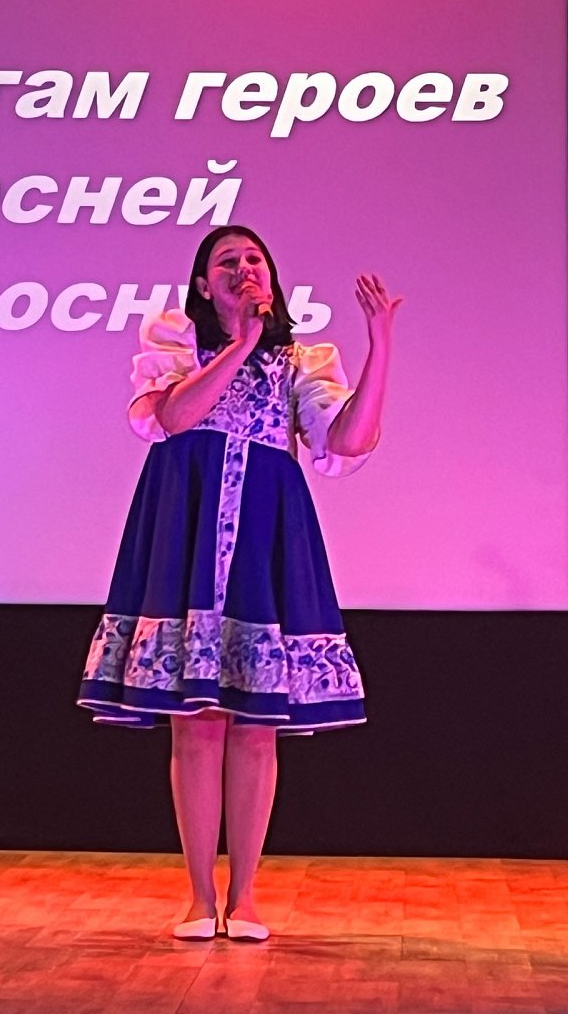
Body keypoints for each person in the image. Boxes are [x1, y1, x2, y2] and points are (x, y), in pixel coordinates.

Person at [78, 225, 400, 942]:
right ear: (203, 284)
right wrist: (241, 345)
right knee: (196, 723)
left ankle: (246, 897)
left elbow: (346, 441)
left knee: (255, 726)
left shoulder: (303, 359)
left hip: (262, 531)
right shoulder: (175, 340)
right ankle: (199, 896)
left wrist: (380, 344)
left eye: (255, 260)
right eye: (228, 261)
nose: (244, 269)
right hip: (186, 523)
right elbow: (173, 416)